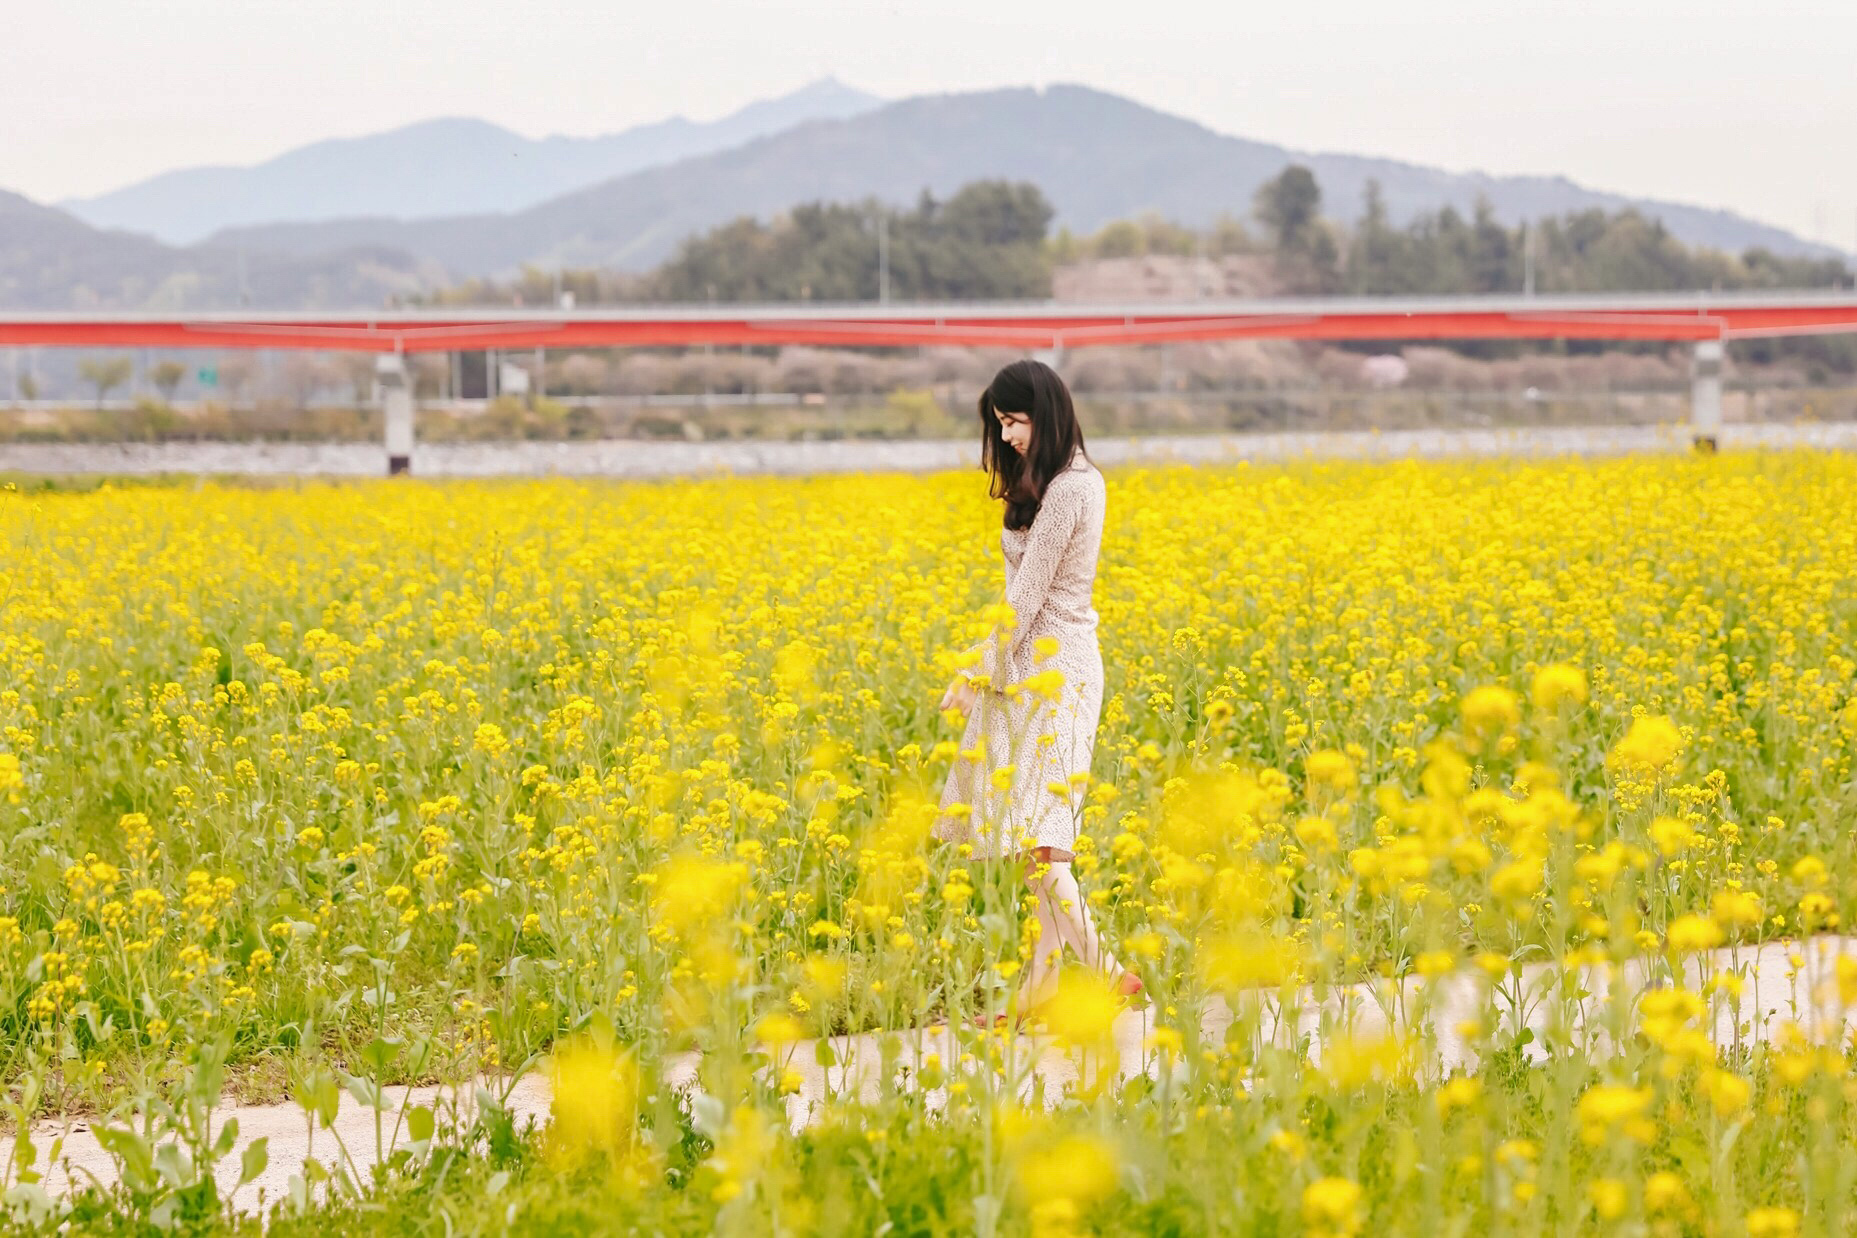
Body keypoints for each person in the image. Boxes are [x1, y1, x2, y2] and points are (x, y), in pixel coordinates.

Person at [933, 358, 1144, 1029]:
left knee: (1038, 835)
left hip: (1058, 669)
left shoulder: (1075, 487)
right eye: (1000, 424)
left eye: (1014, 420)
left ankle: (1106, 971)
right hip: (1023, 666)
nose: (1008, 435)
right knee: (1036, 843)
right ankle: (1041, 991)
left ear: (1045, 412)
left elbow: (1027, 597)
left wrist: (974, 672)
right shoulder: (1047, 483)